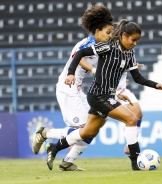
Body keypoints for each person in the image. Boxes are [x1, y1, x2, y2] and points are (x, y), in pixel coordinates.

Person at [45, 19, 162, 171]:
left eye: (137, 41)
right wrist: (71, 73)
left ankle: (54, 147)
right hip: (98, 95)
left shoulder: (130, 54)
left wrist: (156, 85)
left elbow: (138, 78)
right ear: (124, 36)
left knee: (88, 132)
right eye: (133, 40)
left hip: (108, 96)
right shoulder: (108, 46)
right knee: (131, 119)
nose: (135, 43)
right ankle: (135, 162)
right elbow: (80, 53)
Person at [31, 4, 114, 171]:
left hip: (77, 89)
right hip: (67, 87)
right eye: (108, 32)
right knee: (85, 128)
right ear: (97, 31)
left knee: (95, 125)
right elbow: (77, 56)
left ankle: (67, 161)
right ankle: (44, 133)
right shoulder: (87, 43)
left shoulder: (102, 48)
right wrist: (90, 70)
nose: (110, 36)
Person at [115, 64, 144, 154]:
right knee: (90, 129)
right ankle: (72, 153)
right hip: (105, 92)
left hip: (122, 90)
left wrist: (134, 69)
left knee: (137, 113)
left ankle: (130, 145)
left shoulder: (128, 54)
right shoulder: (107, 53)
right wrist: (129, 68)